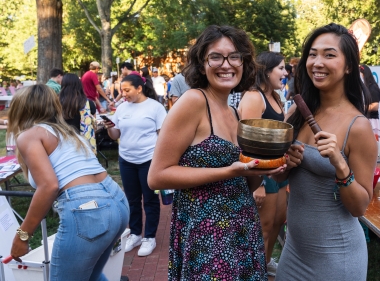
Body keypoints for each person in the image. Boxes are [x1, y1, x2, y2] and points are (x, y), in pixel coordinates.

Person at [148, 25, 285, 280]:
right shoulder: (193, 101)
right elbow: (157, 176)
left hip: (241, 229)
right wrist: (226, 171)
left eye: (234, 57)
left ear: (243, 63)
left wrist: (264, 171)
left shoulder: (234, 113)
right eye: (216, 57)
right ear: (202, 64)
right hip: (207, 234)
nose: (227, 64)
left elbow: (243, 181)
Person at [274, 23, 377, 280]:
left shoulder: (358, 126)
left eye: (329, 55)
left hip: (336, 258)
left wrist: (340, 166)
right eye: (313, 54)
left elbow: (359, 208)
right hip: (294, 251)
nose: (317, 62)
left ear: (349, 66)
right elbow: (278, 177)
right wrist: (286, 164)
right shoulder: (297, 113)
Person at [7, 84, 129, 279]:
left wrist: (23, 235)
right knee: (92, 276)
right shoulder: (68, 133)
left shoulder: (30, 135)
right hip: (116, 200)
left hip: (89, 211)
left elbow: (49, 186)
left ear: (20, 110)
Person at [103, 73, 167, 257]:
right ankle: (136, 233)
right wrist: (109, 127)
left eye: (127, 90)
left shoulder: (155, 107)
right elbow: (115, 135)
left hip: (149, 160)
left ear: (139, 88)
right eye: (122, 90)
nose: (123, 94)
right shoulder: (122, 108)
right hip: (126, 160)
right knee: (131, 199)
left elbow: (163, 136)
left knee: (150, 199)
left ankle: (150, 237)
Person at [237, 51, 289, 276]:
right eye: (281, 68)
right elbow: (246, 144)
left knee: (278, 221)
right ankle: (256, 271)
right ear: (267, 71)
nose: (286, 73)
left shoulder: (276, 97)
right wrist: (256, 183)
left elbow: (280, 131)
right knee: (264, 228)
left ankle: (265, 263)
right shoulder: (253, 96)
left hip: (277, 170)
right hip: (261, 173)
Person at [59, 73, 98, 153]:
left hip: (61, 143)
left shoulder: (55, 103)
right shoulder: (88, 103)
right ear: (79, 85)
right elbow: (93, 126)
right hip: (83, 145)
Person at [360, 64, 380, 140]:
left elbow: (375, 106)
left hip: (371, 121)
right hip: (362, 119)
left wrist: (357, 107)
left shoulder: (372, 87)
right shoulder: (360, 87)